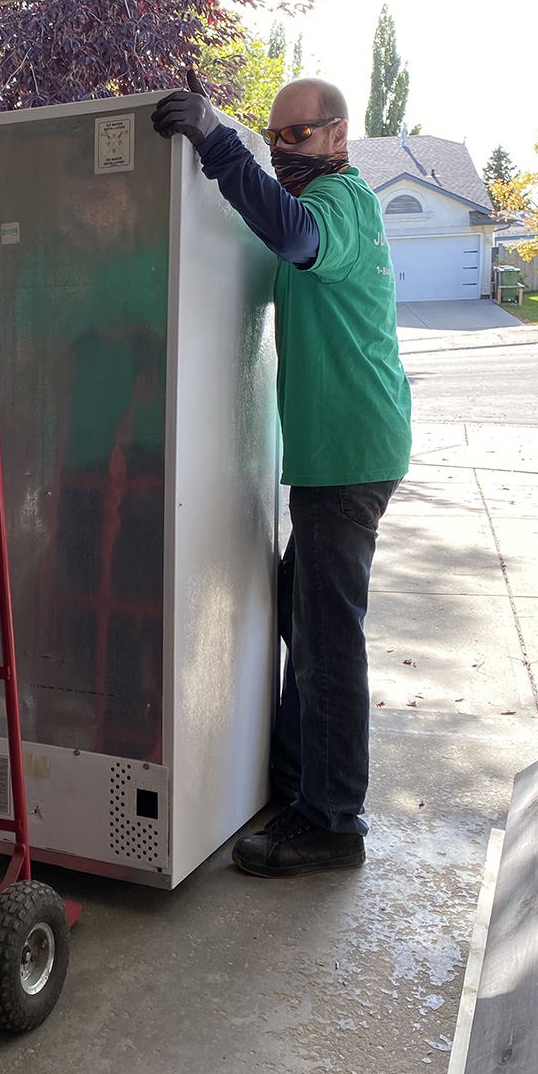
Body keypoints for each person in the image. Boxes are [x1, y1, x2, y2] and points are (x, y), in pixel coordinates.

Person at [152, 73, 411, 880]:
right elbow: (257, 254)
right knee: (307, 618)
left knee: (329, 640)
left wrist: (221, 147)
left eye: (297, 137)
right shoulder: (319, 204)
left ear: (337, 137)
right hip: (342, 452)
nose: (284, 152)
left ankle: (332, 822)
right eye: (274, 140)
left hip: (349, 455)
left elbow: (293, 235)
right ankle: (303, 787)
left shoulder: (343, 203)